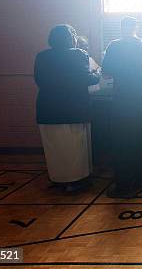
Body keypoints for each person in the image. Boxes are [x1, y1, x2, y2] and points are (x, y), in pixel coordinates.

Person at [34, 24, 100, 193]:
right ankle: (78, 181)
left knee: (54, 147)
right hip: (73, 108)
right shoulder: (79, 54)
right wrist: (98, 73)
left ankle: (58, 180)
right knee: (76, 147)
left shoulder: (41, 56)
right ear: (71, 38)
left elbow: (39, 80)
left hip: (48, 108)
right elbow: (87, 79)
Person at [101, 17, 142, 198]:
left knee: (123, 141)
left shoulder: (114, 46)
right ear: (137, 28)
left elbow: (105, 74)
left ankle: (124, 184)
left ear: (121, 28)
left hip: (123, 100)